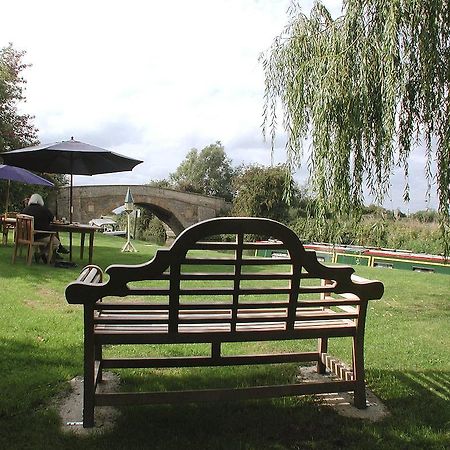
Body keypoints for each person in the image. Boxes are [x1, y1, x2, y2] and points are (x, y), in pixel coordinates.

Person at [22, 193, 67, 263]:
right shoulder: (44, 210)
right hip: (40, 235)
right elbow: (54, 220)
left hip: (27, 236)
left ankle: (42, 256)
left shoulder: (25, 210)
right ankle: (40, 254)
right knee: (56, 243)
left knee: (47, 239)